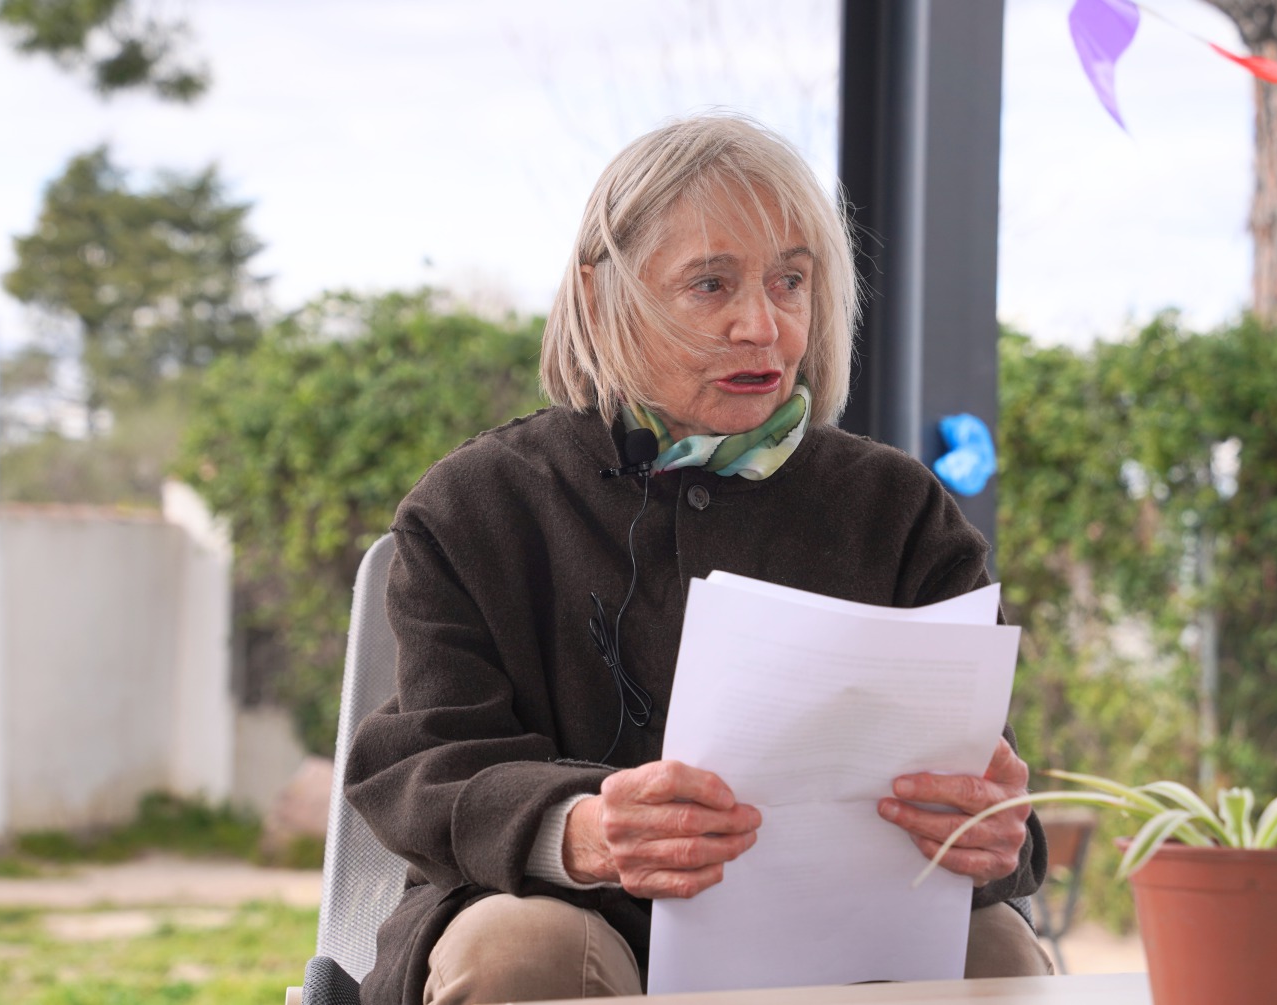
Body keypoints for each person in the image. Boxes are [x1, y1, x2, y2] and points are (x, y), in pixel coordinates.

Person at [344, 113, 1050, 1005]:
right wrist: (579, 827)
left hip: (835, 936)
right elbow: (424, 767)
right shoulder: (473, 506)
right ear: (603, 296)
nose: (762, 325)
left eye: (790, 280)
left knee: (997, 951)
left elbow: (997, 807)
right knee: (520, 949)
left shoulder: (898, 510)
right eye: (710, 284)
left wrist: (989, 831)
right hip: (564, 913)